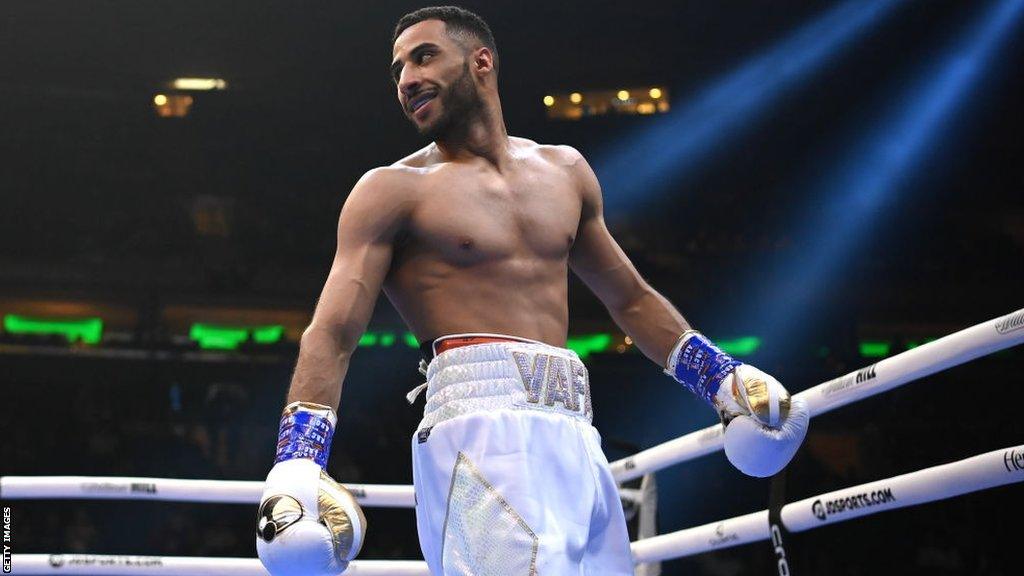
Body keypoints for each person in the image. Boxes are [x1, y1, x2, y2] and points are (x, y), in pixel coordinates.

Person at [255, 6, 809, 575]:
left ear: (482, 61)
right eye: (397, 69)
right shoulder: (391, 190)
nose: (406, 79)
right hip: (478, 427)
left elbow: (632, 299)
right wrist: (297, 462)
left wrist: (720, 378)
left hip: (575, 429)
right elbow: (334, 331)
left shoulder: (565, 171)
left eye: (423, 57)